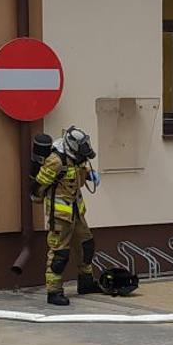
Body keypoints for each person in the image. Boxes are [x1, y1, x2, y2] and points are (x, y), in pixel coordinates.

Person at [36, 126, 103, 306]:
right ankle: (54, 291)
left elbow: (81, 170)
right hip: (60, 215)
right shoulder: (55, 161)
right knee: (59, 254)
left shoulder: (78, 157)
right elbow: (40, 185)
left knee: (86, 245)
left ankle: (86, 282)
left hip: (76, 211)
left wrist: (90, 175)